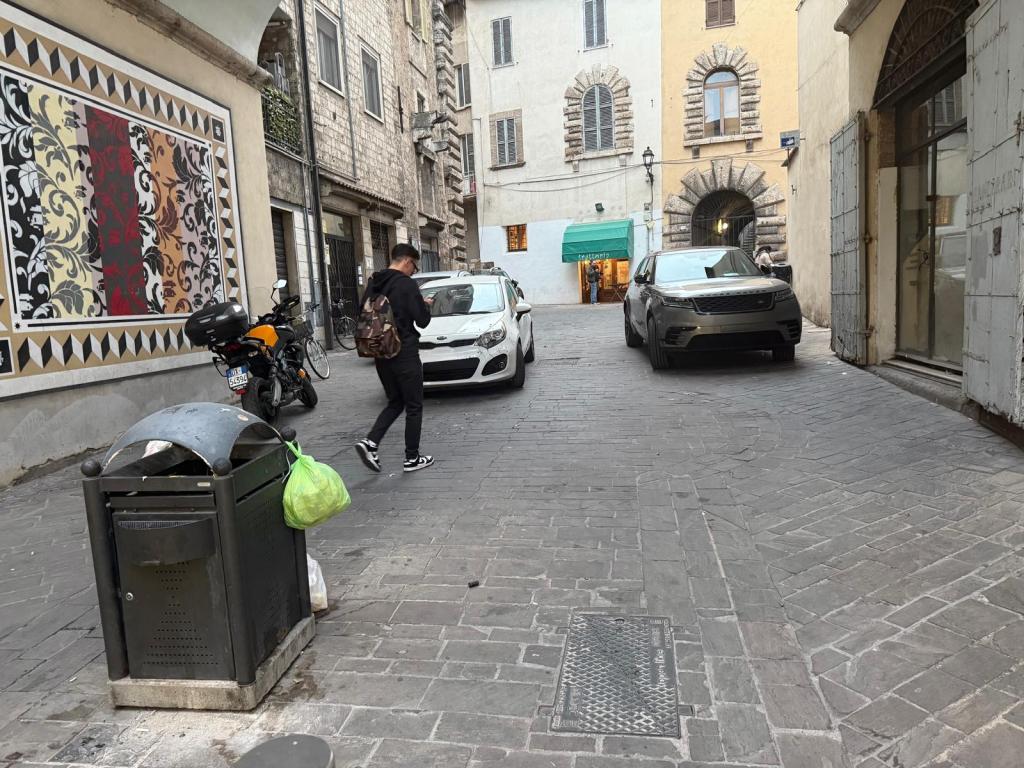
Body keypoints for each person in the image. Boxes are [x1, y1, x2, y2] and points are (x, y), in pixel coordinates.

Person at [355, 243, 434, 473]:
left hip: (380, 352)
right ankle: (412, 458)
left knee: (396, 401)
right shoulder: (405, 284)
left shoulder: (374, 283)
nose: (413, 271)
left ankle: (370, 443)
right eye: (414, 267)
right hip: (404, 351)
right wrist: (424, 305)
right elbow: (422, 320)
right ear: (407, 261)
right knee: (414, 405)